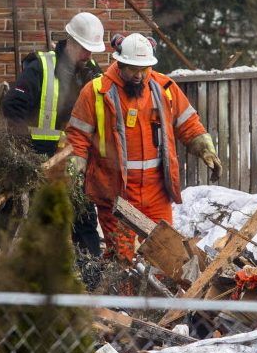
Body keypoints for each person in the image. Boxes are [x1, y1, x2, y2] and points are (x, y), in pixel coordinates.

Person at [65, 33, 223, 263]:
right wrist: (75, 167)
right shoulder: (96, 91)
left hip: (156, 191)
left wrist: (204, 147)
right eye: (133, 69)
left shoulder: (164, 88)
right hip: (115, 192)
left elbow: (188, 122)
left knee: (166, 254)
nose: (139, 75)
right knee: (123, 260)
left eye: (144, 69)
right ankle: (124, 300)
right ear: (119, 64)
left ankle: (161, 299)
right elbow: (77, 135)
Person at [1, 11, 106, 255]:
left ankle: (92, 277)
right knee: (38, 223)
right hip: (40, 159)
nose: (89, 56)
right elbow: (12, 106)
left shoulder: (91, 72)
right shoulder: (41, 68)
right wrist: (24, 152)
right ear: (70, 42)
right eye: (85, 49)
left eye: (92, 51)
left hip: (73, 159)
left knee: (84, 219)